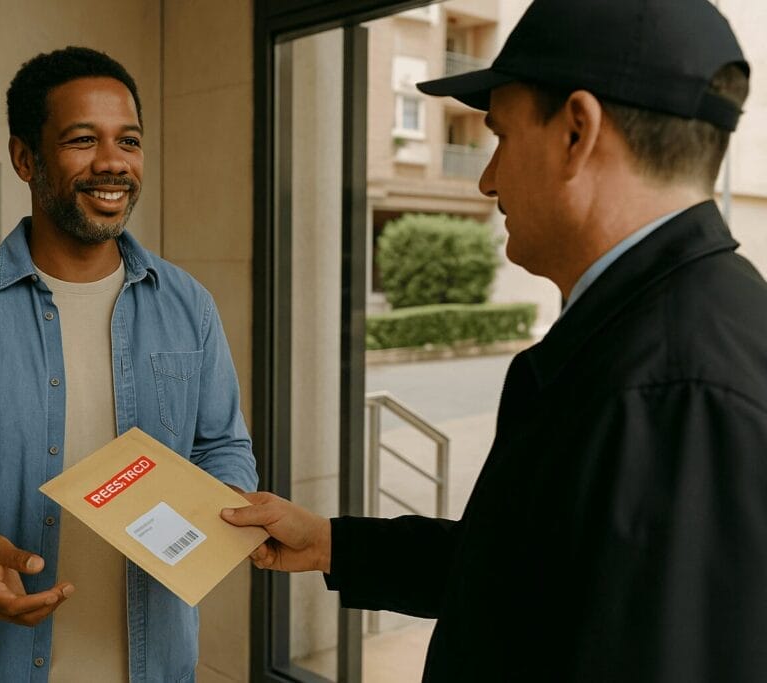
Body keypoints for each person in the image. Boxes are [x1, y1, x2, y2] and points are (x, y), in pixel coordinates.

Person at [223, 0, 767, 680]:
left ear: (577, 132)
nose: (486, 180)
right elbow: (528, 571)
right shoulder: (655, 330)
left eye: (501, 136)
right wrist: (333, 542)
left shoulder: (675, 390)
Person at [0, 46, 257, 683]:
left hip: (157, 665)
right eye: (82, 140)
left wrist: (224, 507)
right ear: (25, 157)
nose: (112, 163)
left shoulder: (190, 305)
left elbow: (224, 445)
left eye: (128, 140)